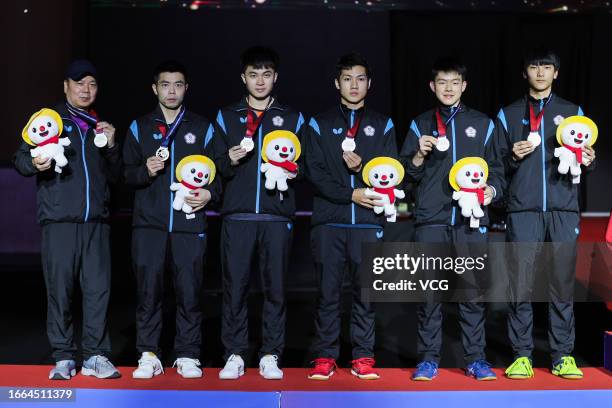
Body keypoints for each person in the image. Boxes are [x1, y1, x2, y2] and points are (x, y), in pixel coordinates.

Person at [486, 48, 595, 380]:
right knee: (521, 284)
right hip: (523, 211)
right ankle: (522, 355)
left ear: (556, 73)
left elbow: (583, 160)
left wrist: (589, 161)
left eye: (546, 66)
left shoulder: (573, 112)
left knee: (561, 283)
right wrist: (511, 159)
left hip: (563, 210)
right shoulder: (507, 115)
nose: (540, 72)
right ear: (525, 73)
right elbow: (495, 169)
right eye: (534, 66)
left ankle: (562, 355)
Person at [13, 59, 121, 379]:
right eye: (78, 83)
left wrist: (112, 146)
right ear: (65, 86)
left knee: (98, 290)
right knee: (59, 290)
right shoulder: (50, 121)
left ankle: (96, 355)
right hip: (59, 220)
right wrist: (37, 162)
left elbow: (116, 176)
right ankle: (63, 356)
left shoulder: (101, 126)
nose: (85, 90)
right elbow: (21, 159)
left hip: (96, 223)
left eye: (91, 84)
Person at [210, 47, 305, 380]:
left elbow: (304, 166)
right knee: (234, 288)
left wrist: (294, 170)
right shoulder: (226, 116)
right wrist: (229, 159)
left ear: (275, 78)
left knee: (275, 289)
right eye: (253, 74)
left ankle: (270, 354)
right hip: (237, 217)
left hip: (277, 217)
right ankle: (235, 353)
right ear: (243, 77)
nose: (260, 81)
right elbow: (212, 165)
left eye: (266, 74)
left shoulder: (293, 118)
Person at [400, 57, 497, 381]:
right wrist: (417, 155)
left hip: (471, 221)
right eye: (442, 82)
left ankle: (476, 359)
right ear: (432, 86)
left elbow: (496, 170)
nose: (448, 88)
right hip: (432, 219)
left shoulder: (483, 123)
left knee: (472, 293)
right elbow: (404, 177)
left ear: (464, 86)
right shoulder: (419, 124)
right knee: (430, 294)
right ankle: (428, 359)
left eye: (454, 82)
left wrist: (492, 190)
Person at [304, 52, 398, 380]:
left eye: (360, 78)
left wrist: (363, 170)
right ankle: (325, 356)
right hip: (329, 222)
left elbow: (391, 168)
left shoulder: (383, 124)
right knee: (328, 294)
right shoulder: (319, 123)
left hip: (368, 222)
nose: (354, 85)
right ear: (336, 83)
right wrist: (350, 193)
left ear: (369, 84)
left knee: (365, 295)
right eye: (347, 78)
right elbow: (312, 171)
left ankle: (363, 357)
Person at [123, 60, 218, 379]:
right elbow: (125, 174)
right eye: (165, 84)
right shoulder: (139, 126)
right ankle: (148, 353)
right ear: (155, 89)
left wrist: (210, 194)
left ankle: (188, 354)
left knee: (189, 292)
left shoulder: (203, 127)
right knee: (148, 292)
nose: (172, 90)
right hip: (149, 226)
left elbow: (220, 172)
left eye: (178, 84)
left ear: (186, 88)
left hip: (190, 225)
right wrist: (144, 171)